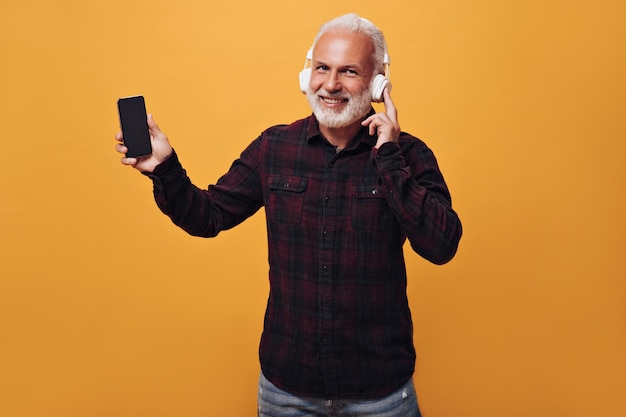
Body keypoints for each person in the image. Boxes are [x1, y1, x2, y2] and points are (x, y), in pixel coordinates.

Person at [115, 13, 462, 417]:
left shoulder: (409, 156)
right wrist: (164, 168)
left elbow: (441, 246)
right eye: (322, 68)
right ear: (306, 75)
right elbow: (208, 217)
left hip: (380, 392)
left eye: (348, 71)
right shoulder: (274, 147)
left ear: (378, 82)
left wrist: (388, 157)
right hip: (288, 392)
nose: (331, 85)